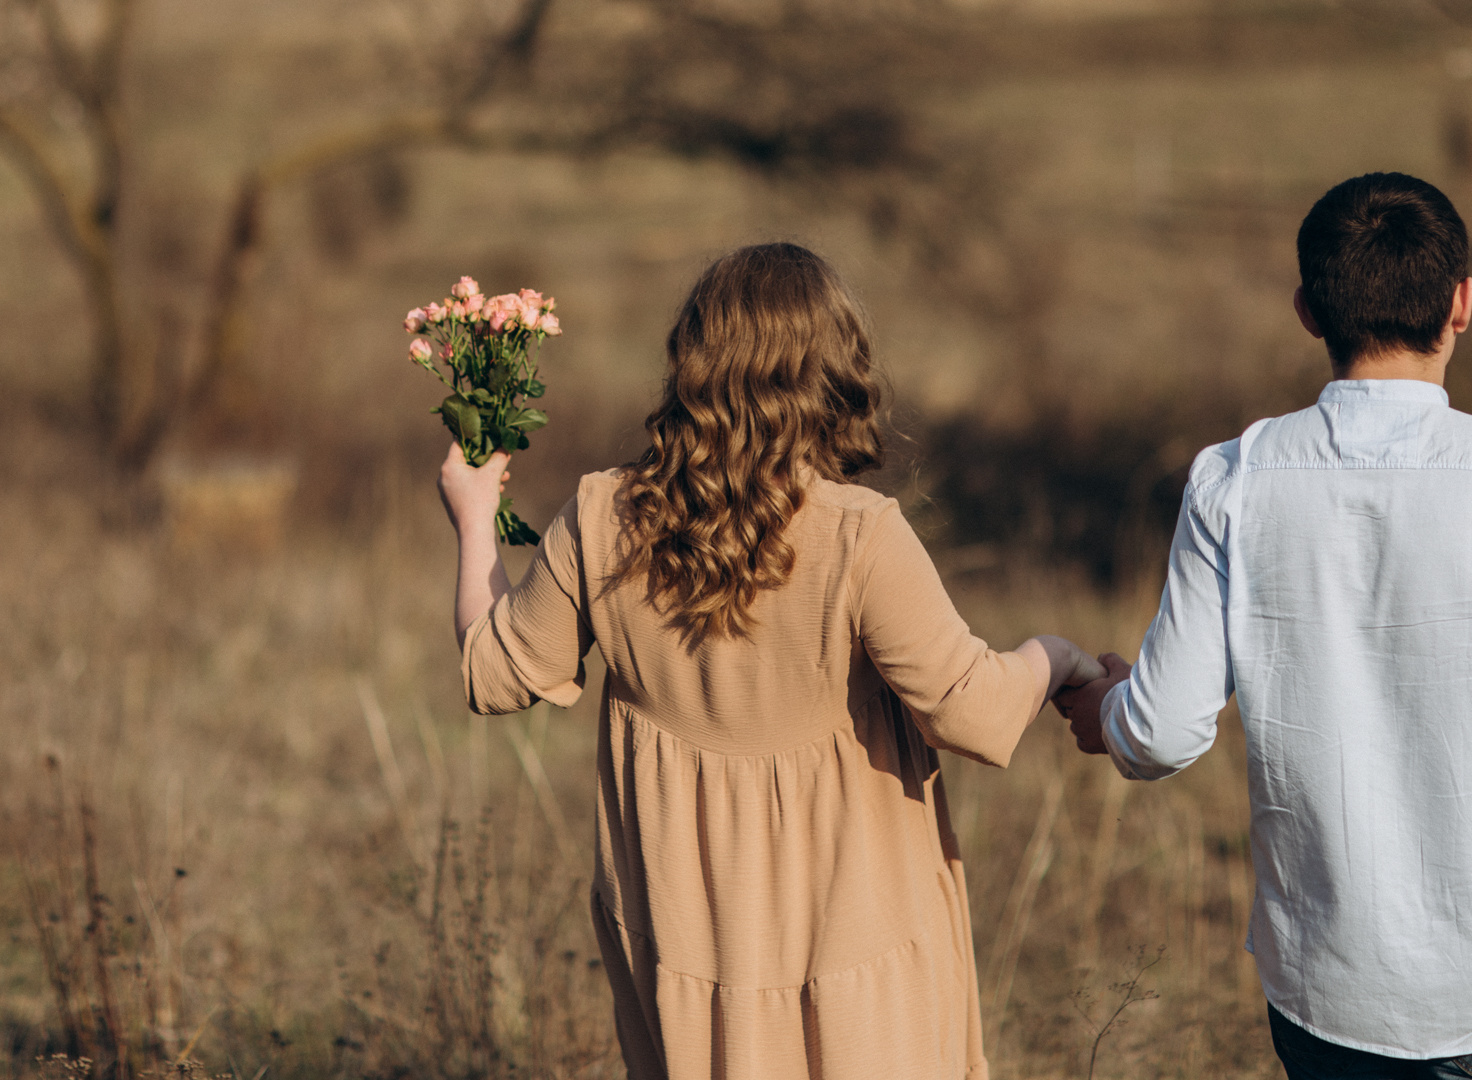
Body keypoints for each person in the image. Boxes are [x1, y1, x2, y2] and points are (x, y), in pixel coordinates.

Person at [1057, 172, 1472, 1079]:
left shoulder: (1234, 480)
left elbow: (1157, 733)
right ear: (1463, 304)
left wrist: (1108, 709)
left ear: (1308, 310)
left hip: (1325, 991)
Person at [440, 242, 1100, 1080]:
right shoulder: (859, 533)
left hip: (686, 953)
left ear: (691, 363)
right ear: (831, 373)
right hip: (856, 949)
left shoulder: (601, 514)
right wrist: (1056, 657)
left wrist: (471, 522)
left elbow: (492, 672)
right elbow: (971, 711)